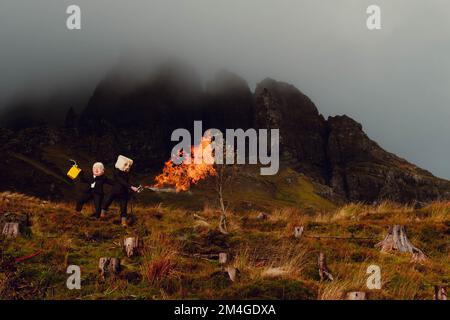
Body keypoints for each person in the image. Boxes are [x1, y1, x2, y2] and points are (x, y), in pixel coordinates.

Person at [101, 155, 139, 227]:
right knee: (107, 201)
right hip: (115, 190)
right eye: (126, 164)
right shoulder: (117, 172)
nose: (128, 167)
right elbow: (121, 181)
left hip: (124, 192)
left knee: (123, 207)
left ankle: (123, 222)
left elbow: (127, 182)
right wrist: (131, 187)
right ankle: (102, 214)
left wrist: (131, 189)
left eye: (129, 165)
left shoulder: (127, 174)